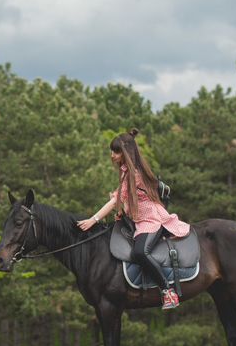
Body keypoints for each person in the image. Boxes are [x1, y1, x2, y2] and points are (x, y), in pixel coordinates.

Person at [77, 129, 189, 310]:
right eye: (112, 151)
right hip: (138, 218)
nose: (112, 155)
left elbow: (115, 201)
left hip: (152, 218)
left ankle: (168, 291)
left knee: (140, 252)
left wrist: (93, 219)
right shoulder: (125, 172)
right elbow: (127, 199)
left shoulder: (134, 174)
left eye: (116, 151)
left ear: (126, 153)